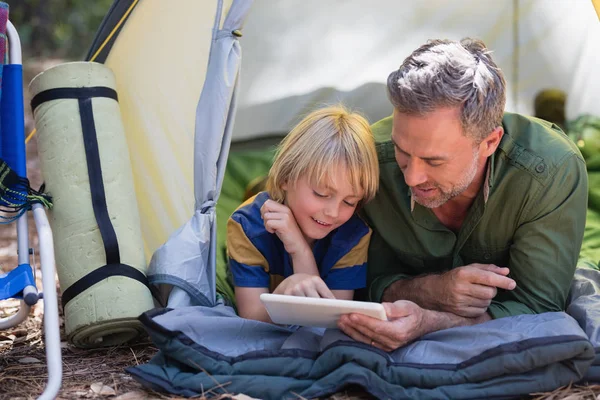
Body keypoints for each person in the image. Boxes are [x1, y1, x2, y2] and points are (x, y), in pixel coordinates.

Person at [338, 38, 588, 351]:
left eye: (434, 160)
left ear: (489, 142)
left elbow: (537, 307)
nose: (411, 176)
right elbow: (351, 282)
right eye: (402, 151)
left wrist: (434, 322)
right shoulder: (364, 160)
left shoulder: (551, 170)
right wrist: (432, 291)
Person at [227, 105, 380, 323]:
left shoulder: (353, 234)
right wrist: (282, 294)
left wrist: (300, 251)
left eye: (349, 201)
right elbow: (251, 316)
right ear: (286, 178)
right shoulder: (247, 225)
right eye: (321, 194)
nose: (333, 212)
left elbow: (330, 321)